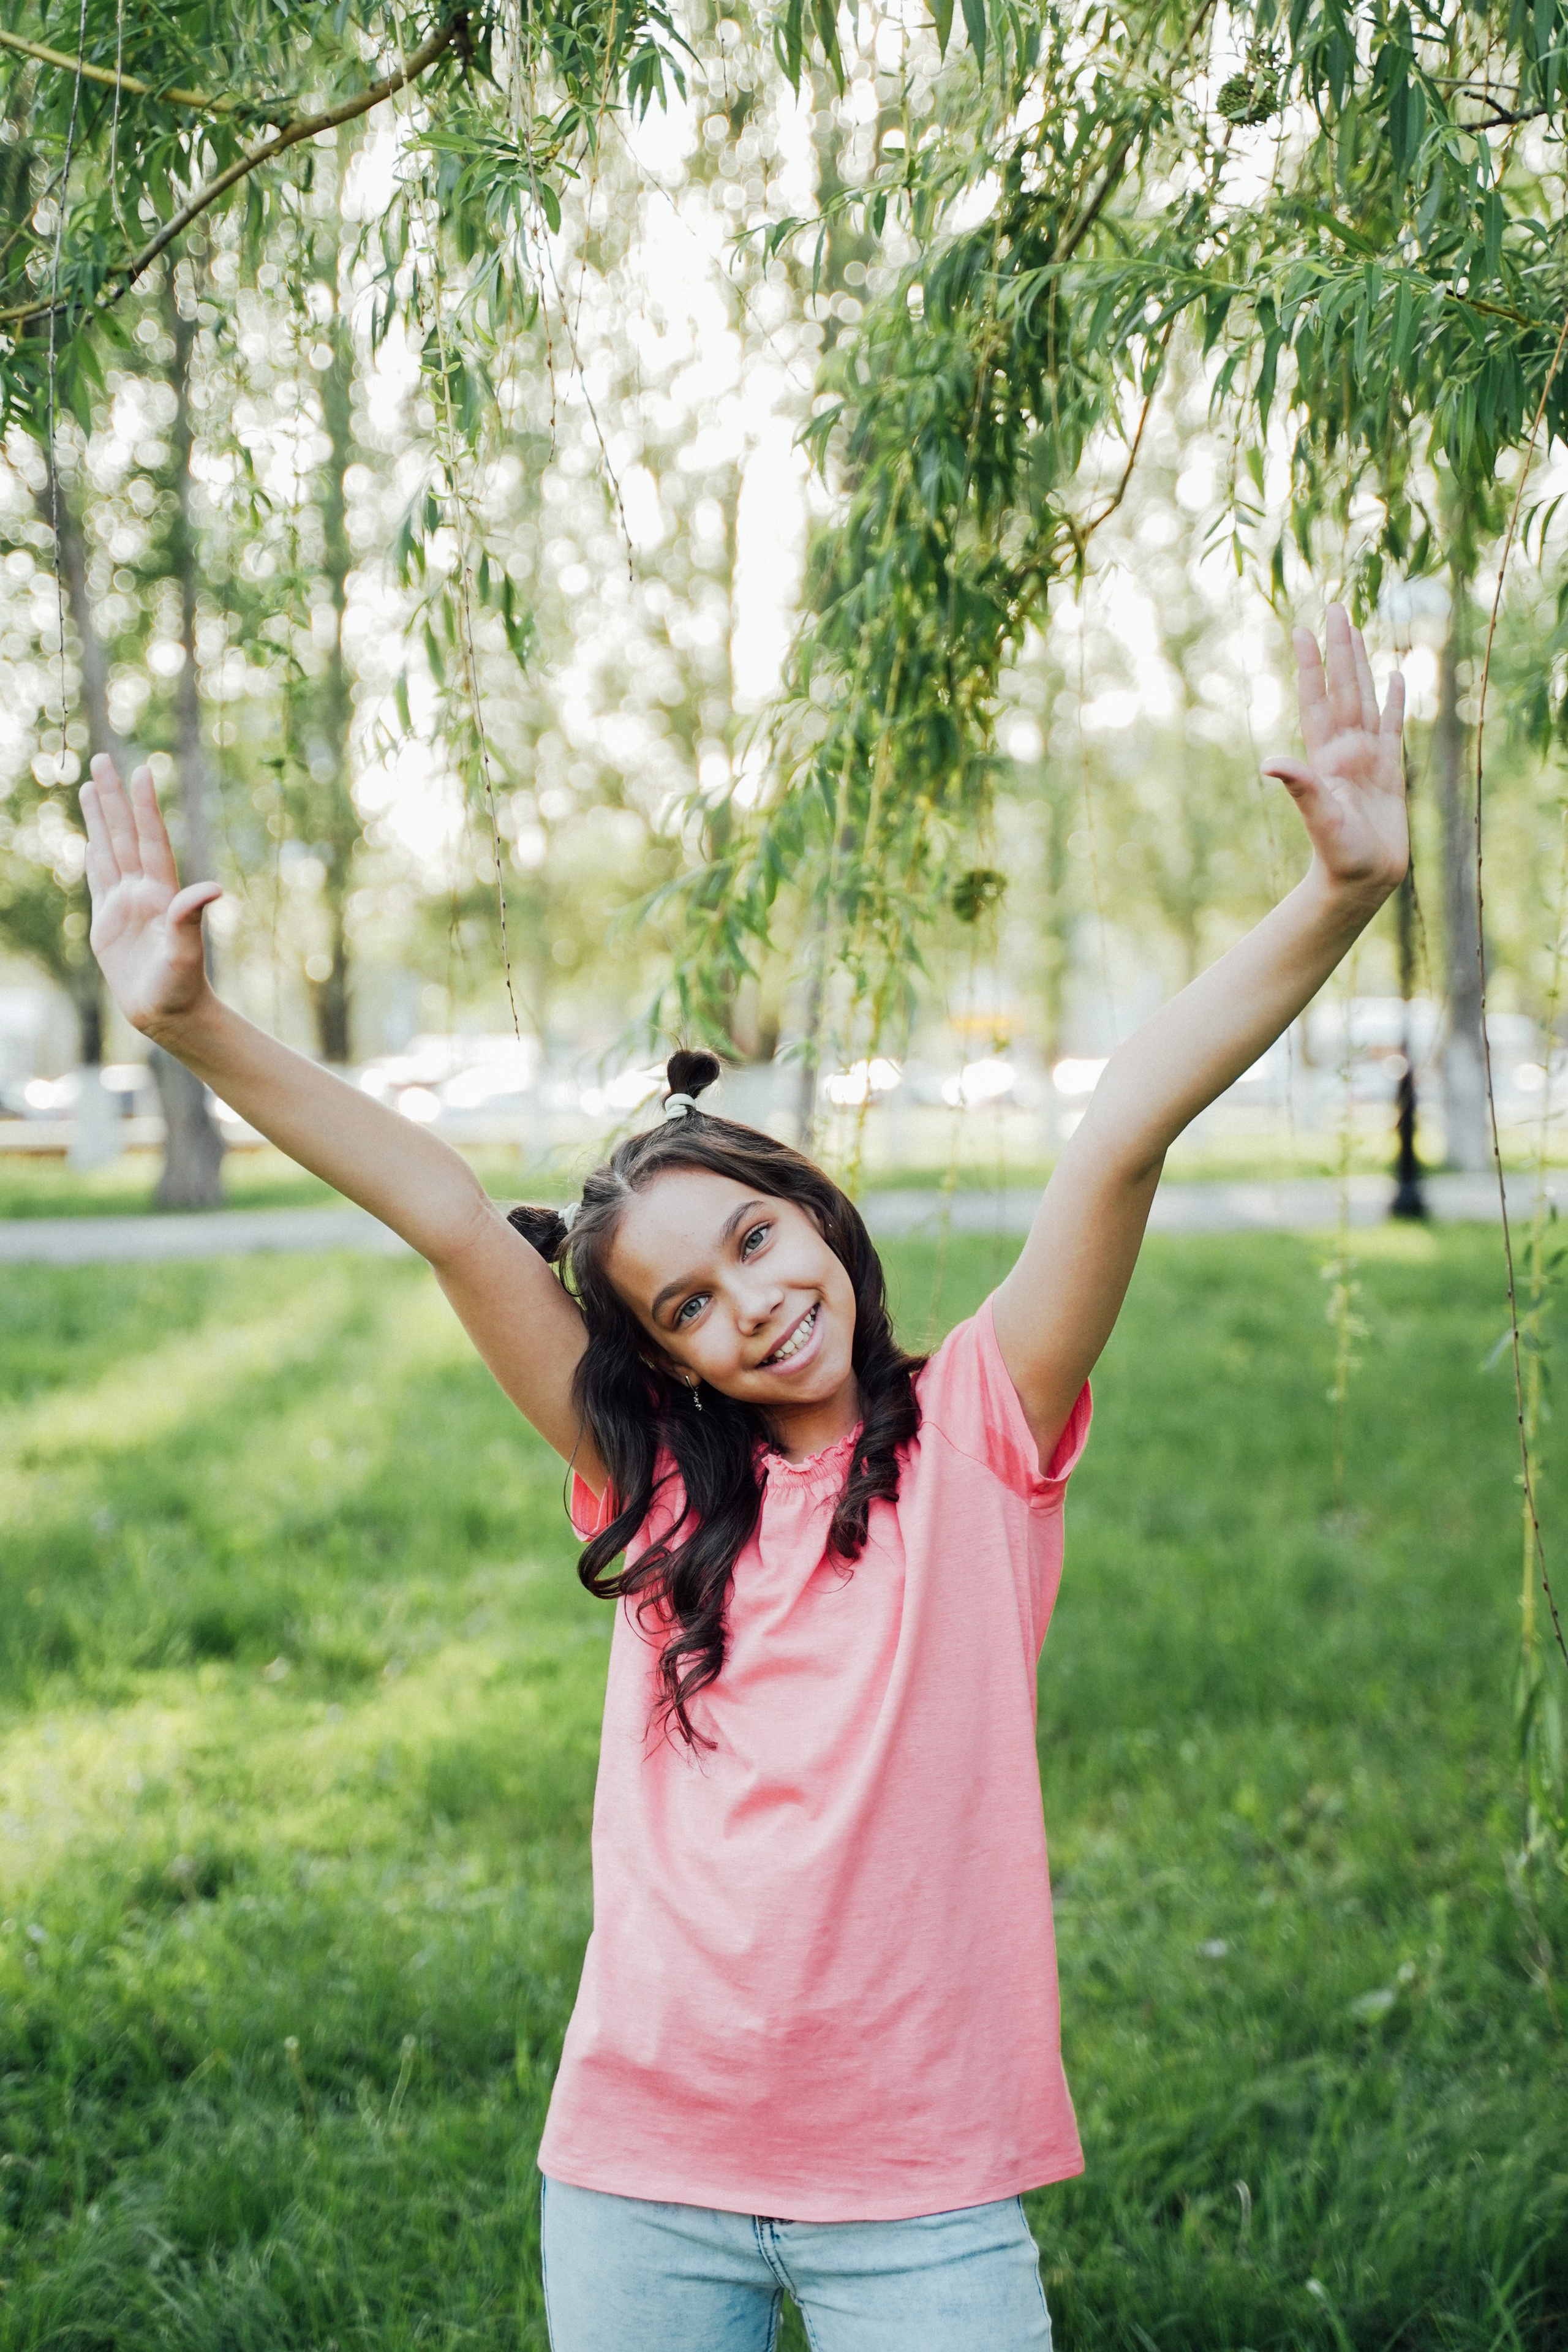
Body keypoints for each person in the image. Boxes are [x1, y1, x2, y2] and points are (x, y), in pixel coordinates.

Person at [78, 606, 1406, 2351]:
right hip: (644, 2164)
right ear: (664, 1364)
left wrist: (1339, 894)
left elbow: (1123, 1133)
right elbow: (444, 1212)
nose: (755, 1305)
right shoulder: (658, 1499)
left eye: (760, 1240)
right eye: (689, 1305)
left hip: (923, 2183)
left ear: (821, 1220)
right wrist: (194, 1028)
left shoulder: (981, 1435)